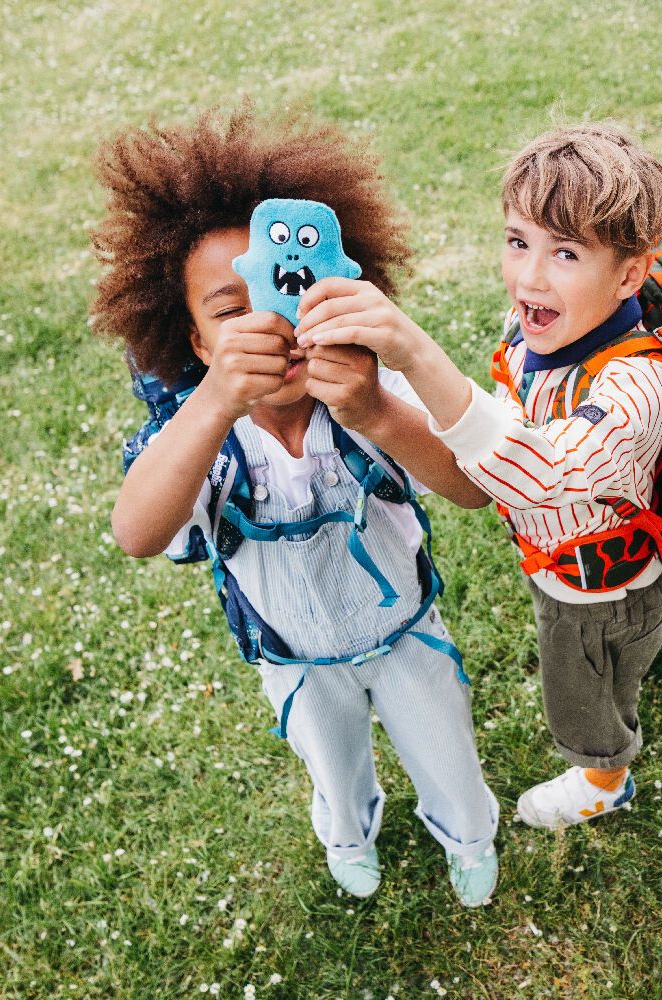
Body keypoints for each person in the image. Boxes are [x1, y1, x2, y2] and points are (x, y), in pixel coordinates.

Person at [91, 108, 500, 904]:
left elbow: (473, 488)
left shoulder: (373, 396)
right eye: (230, 309)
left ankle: (468, 834)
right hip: (294, 658)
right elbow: (136, 533)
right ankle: (348, 835)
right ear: (196, 343)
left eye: (286, 289)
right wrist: (211, 406)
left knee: (445, 745)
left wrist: (378, 412)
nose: (268, 322)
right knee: (332, 764)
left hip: (408, 633)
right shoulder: (198, 437)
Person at [298, 121, 662, 829]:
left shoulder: (639, 386)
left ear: (629, 274)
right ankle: (646, 637)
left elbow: (538, 472)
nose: (530, 277)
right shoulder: (538, 325)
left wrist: (416, 356)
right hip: (606, 561)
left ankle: (603, 775)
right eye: (519, 242)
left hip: (593, 587)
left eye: (566, 253)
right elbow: (491, 450)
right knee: (628, 638)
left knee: (581, 686)